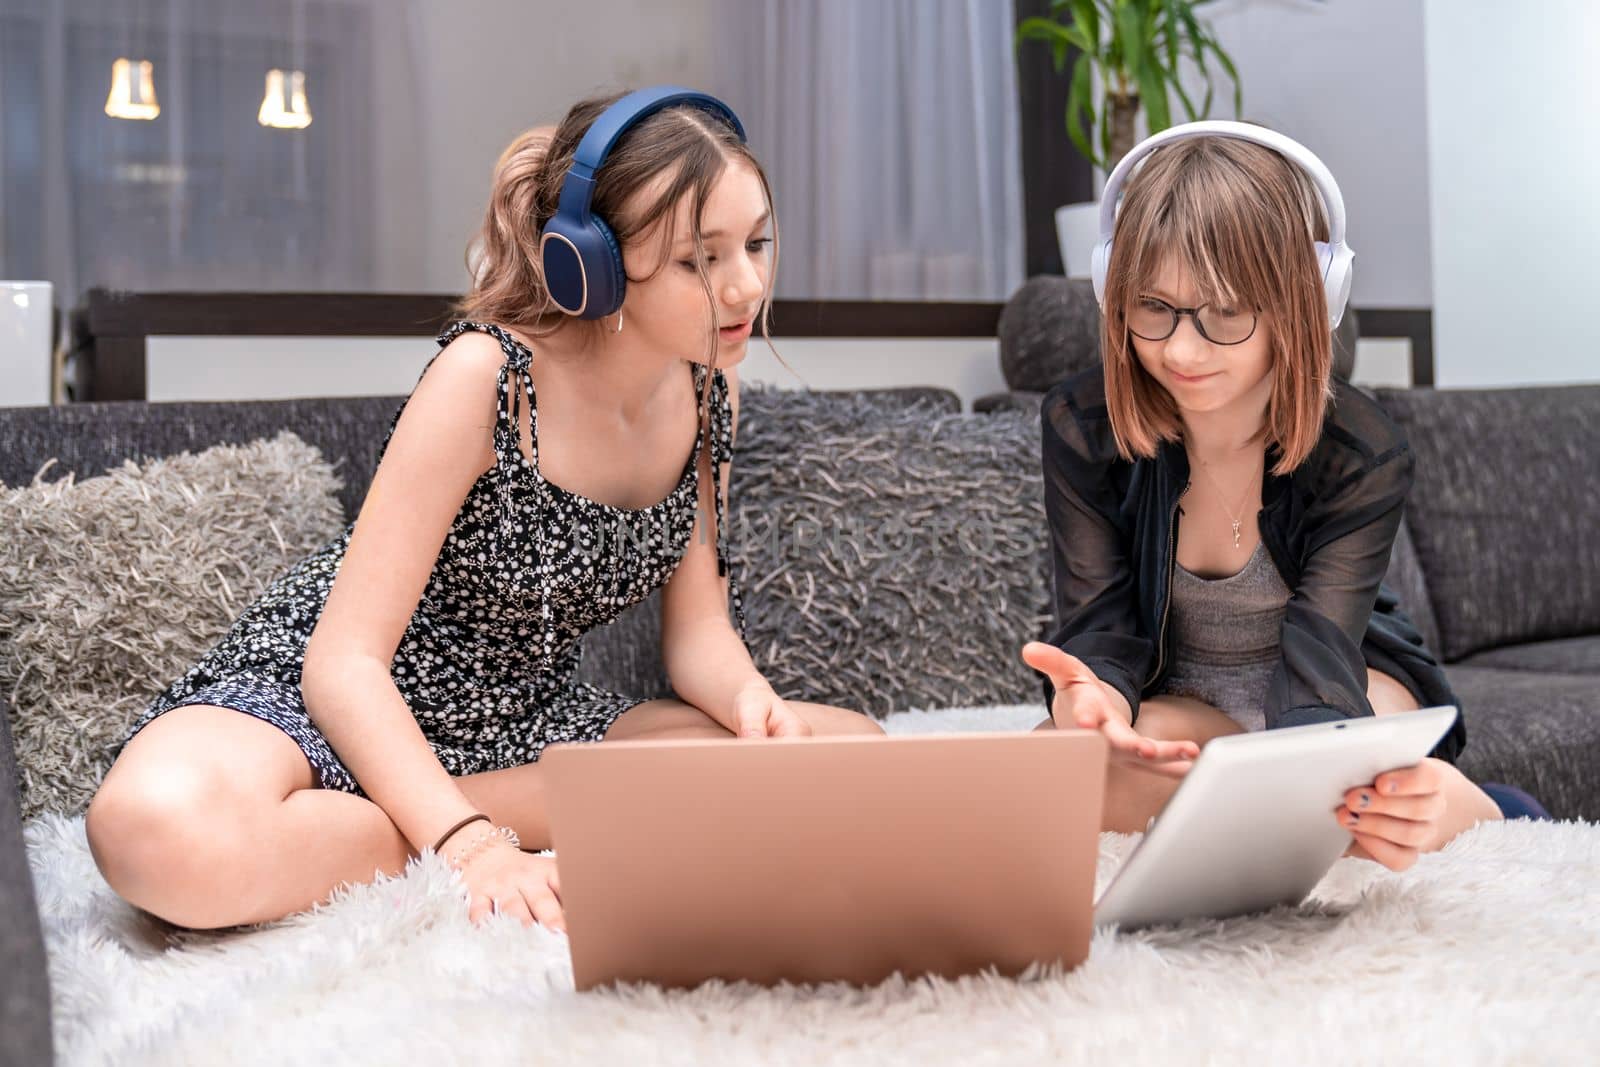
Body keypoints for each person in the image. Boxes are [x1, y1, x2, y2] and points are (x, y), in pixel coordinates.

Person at [85, 87, 882, 933]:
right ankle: (437, 817)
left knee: (853, 754)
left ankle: (391, 818)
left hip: (522, 716)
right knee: (154, 831)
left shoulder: (710, 390)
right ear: (594, 263)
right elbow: (343, 664)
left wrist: (748, 697)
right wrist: (469, 846)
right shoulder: (486, 376)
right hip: (345, 692)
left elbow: (698, 635)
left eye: (756, 243)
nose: (748, 285)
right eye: (700, 260)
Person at [1021, 121, 1519, 873]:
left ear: (1306, 302)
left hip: (1337, 675)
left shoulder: (1361, 451)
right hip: (1186, 686)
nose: (1182, 351)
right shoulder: (1081, 428)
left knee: (1333, 785)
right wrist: (1096, 702)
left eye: (1225, 314)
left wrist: (1309, 775)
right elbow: (1102, 622)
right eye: (1152, 306)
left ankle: (1482, 805)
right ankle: (1275, 793)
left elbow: (1323, 659)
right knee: (1052, 774)